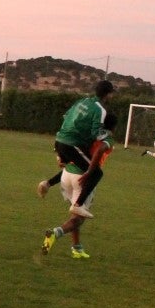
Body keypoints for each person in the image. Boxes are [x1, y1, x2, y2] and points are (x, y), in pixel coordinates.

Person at [43, 113, 117, 259]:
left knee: (75, 214)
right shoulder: (108, 139)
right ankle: (55, 233)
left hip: (66, 174)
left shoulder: (88, 133)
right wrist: (90, 171)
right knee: (79, 218)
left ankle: (77, 248)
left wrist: (51, 181)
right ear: (114, 127)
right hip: (83, 178)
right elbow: (101, 150)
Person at [37, 80, 114, 216]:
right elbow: (95, 133)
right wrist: (107, 134)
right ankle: (78, 205)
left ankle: (47, 183)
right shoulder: (100, 109)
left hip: (59, 139)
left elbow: (65, 116)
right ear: (108, 94)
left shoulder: (81, 101)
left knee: (75, 166)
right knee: (96, 173)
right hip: (72, 144)